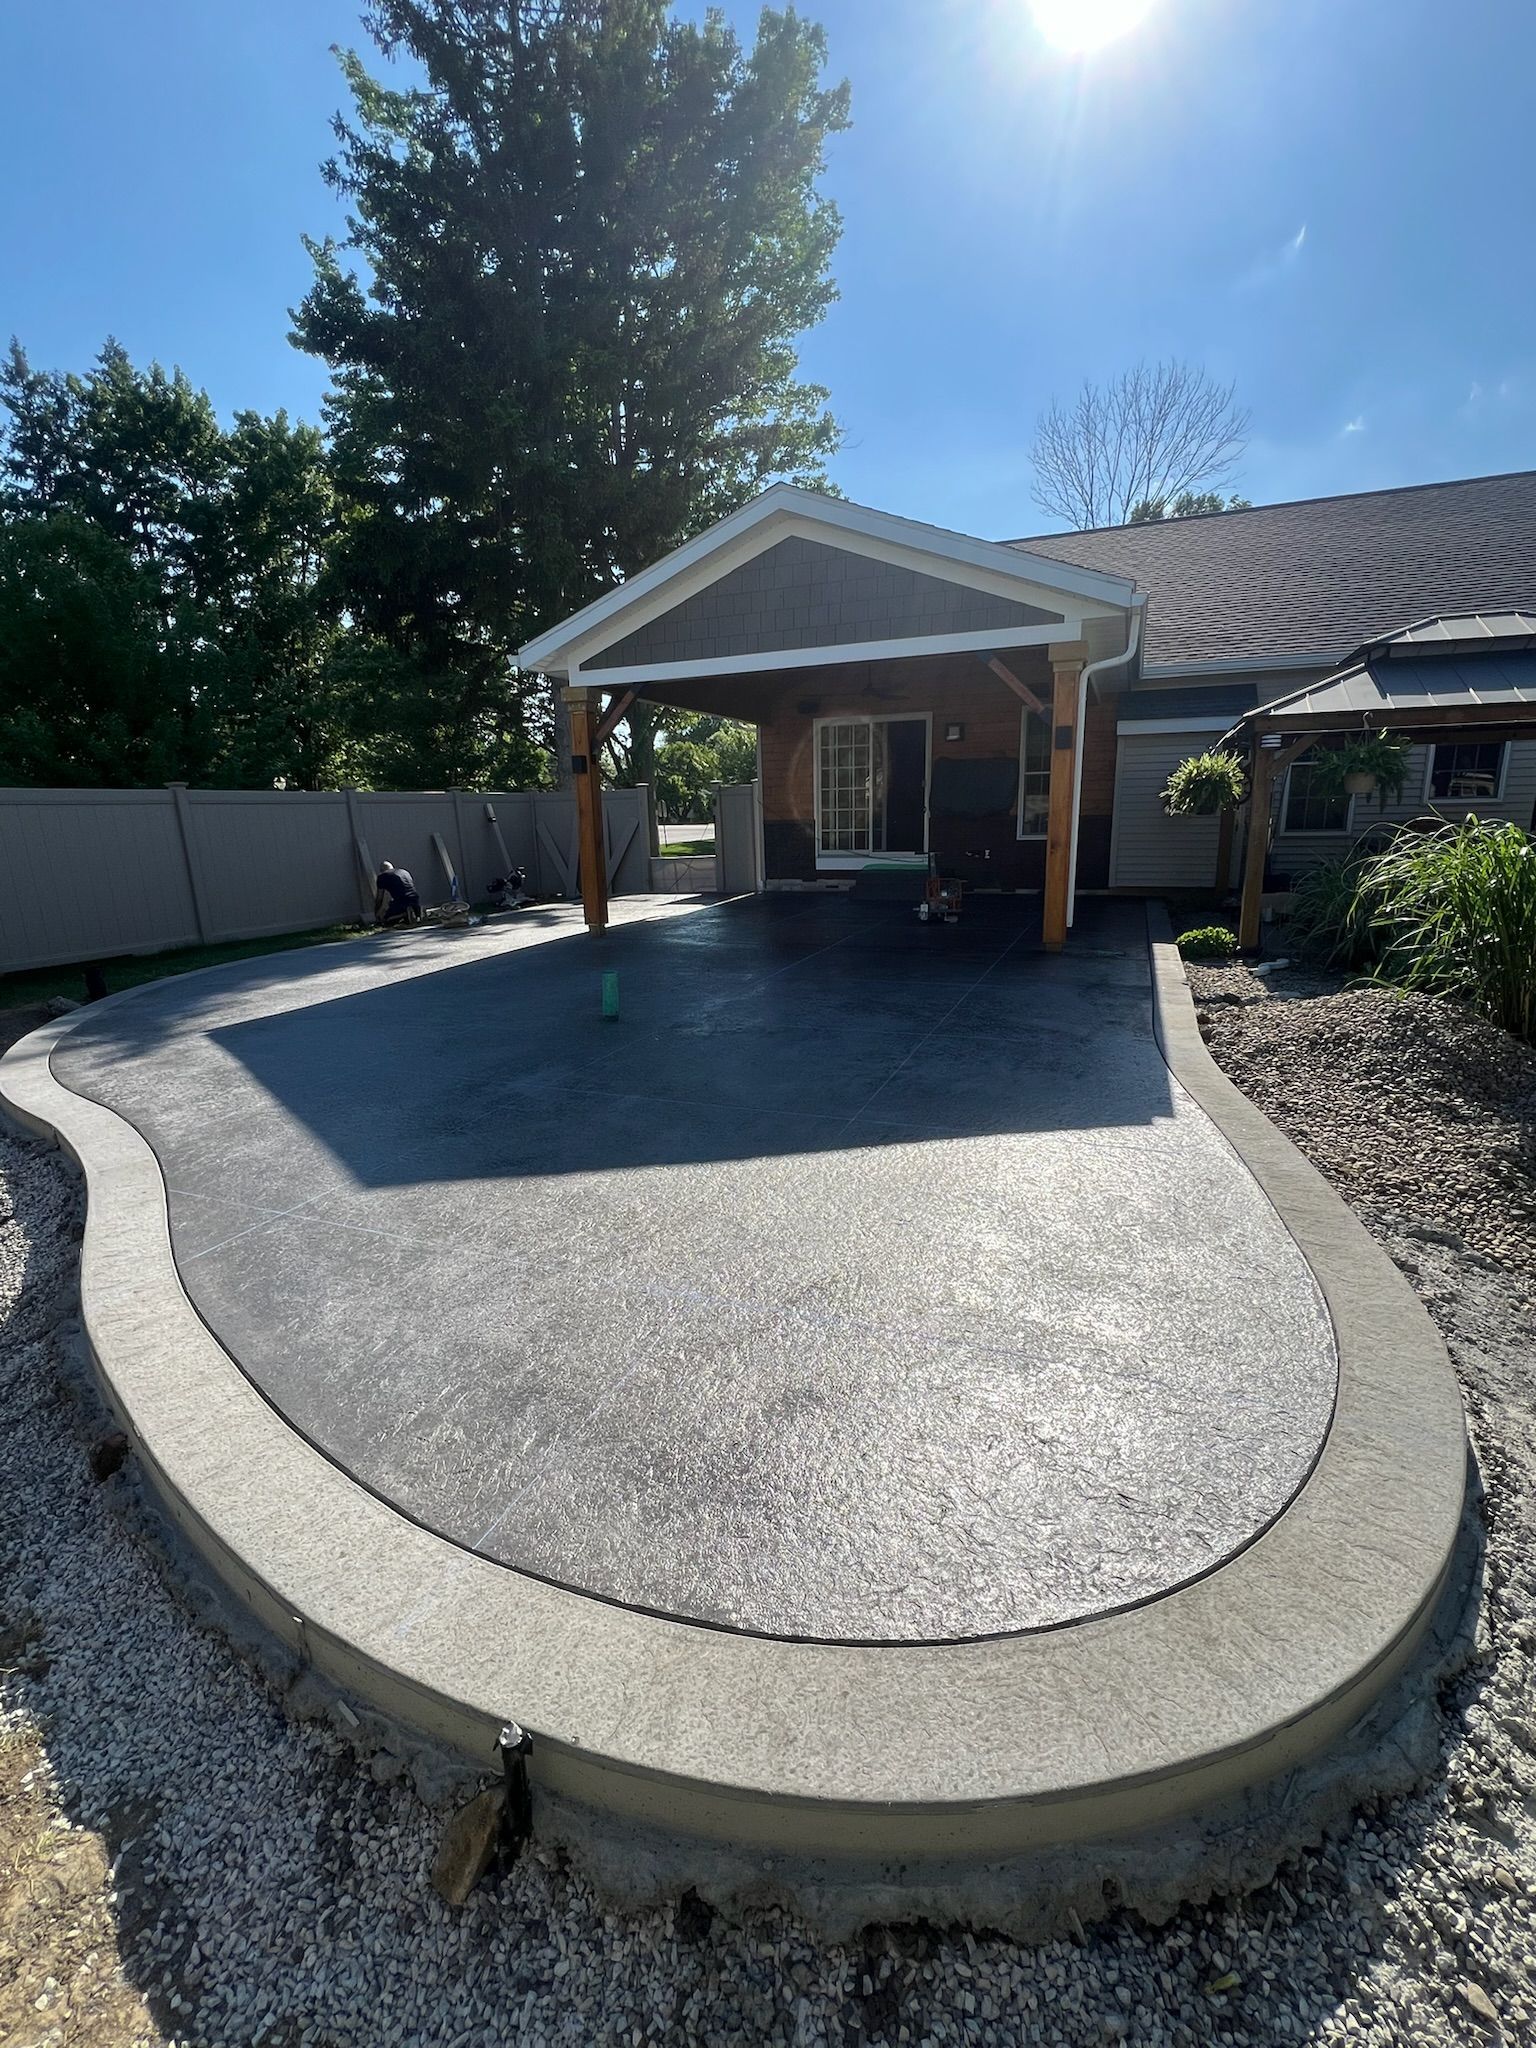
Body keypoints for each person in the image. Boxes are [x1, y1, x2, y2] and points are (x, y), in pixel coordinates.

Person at [374, 860, 421, 926]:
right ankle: (414, 914)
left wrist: (376, 913)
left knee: (386, 920)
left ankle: (405, 914)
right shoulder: (404, 872)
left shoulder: (382, 876)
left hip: (402, 902)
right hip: (415, 900)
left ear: (381, 870)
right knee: (394, 904)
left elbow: (379, 898)